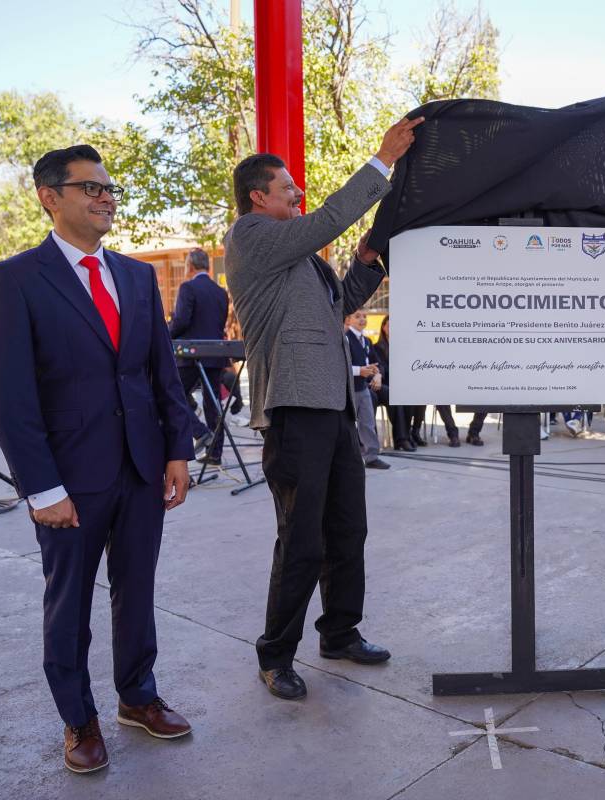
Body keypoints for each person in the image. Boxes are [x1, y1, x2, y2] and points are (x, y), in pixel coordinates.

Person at [0, 144, 195, 773]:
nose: (106, 197)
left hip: (140, 469)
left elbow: (161, 374)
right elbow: (7, 392)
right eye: (91, 188)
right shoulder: (17, 278)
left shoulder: (135, 276)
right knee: (69, 603)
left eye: (109, 188)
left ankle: (138, 696)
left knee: (138, 591)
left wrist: (177, 449)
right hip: (69, 478)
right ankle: (79, 718)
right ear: (51, 197)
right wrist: (42, 488)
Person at [224, 115, 422, 701]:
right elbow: (330, 217)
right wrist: (382, 160)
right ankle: (275, 655)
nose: (298, 195)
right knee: (301, 539)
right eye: (288, 189)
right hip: (293, 410)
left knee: (346, 529)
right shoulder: (251, 236)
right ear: (259, 197)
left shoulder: (303, 263)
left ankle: (340, 632)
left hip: (332, 407)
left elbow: (341, 306)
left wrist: (368, 261)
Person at [169, 247, 230, 466]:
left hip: (191, 354)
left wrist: (164, 335)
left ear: (190, 266)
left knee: (171, 394)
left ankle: (201, 433)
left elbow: (182, 321)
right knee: (213, 403)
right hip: (215, 353)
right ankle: (215, 453)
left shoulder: (188, 287)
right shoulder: (220, 291)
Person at [346, 310, 389, 469]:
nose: (362, 319)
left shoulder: (367, 341)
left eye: (364, 316)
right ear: (348, 320)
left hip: (363, 388)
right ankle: (347, 458)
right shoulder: (344, 339)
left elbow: (376, 364)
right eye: (357, 316)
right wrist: (359, 371)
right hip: (347, 390)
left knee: (367, 423)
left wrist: (377, 375)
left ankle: (371, 457)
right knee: (346, 426)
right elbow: (338, 366)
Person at [371, 315, 414, 451]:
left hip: (399, 383)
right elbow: (381, 367)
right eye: (390, 326)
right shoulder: (376, 347)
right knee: (396, 395)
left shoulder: (402, 347)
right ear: (383, 327)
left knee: (412, 395)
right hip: (383, 383)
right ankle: (402, 439)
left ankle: (407, 436)